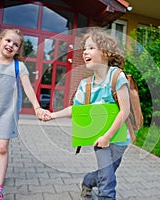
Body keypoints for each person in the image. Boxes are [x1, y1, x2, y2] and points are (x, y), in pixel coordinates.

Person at [41, 28, 131, 200]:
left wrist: (109, 135)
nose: (85, 52)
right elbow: (76, 110)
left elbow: (124, 111)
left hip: (119, 137)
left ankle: (88, 181)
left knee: (108, 173)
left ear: (105, 52)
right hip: (99, 137)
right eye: (84, 49)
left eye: (91, 48)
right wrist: (52, 115)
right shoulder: (85, 85)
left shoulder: (117, 77)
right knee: (107, 182)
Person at [0, 29, 47, 200]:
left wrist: (36, 107)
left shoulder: (18, 66)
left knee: (2, 147)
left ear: (18, 49)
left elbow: (28, 88)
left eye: (15, 44)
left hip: (8, 113)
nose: (10, 45)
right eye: (8, 41)